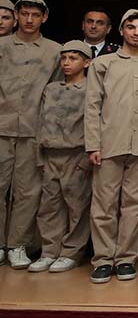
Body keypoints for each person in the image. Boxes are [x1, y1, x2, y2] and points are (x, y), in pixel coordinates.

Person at [85, 9, 138, 283]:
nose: (136, 33)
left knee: (134, 205)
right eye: (131, 27)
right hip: (109, 144)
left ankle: (126, 259)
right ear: (121, 30)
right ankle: (102, 260)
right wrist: (93, 144)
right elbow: (92, 106)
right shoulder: (103, 64)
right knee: (104, 205)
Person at [0, 0, 62, 269]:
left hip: (34, 130)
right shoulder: (2, 46)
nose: (29, 20)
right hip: (1, 127)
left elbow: (57, 93)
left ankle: (17, 245)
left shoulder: (55, 51)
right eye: (24, 14)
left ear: (44, 18)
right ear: (16, 16)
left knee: (28, 191)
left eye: (35, 15)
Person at [27, 41, 92, 273]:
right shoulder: (51, 89)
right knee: (49, 206)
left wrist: (87, 157)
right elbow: (40, 122)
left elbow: (93, 124)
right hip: (50, 153)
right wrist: (39, 155)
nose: (66, 63)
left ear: (87, 62)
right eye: (63, 58)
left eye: (73, 58)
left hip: (76, 153)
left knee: (77, 206)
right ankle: (49, 251)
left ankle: (71, 252)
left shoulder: (90, 89)